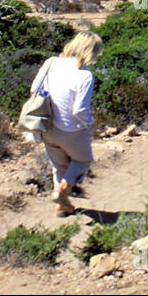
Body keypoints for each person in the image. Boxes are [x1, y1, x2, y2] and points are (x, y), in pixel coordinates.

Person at [31, 31, 100, 216]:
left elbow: (34, 89)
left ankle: (62, 206)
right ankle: (61, 190)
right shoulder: (85, 75)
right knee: (82, 161)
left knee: (59, 166)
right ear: (91, 51)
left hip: (47, 125)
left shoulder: (52, 62)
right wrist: (89, 122)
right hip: (72, 130)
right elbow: (79, 110)